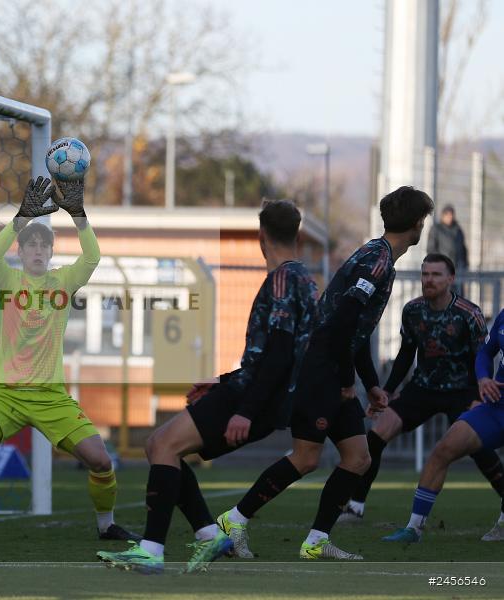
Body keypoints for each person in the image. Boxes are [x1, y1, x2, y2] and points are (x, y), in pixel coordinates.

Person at [95, 200, 319, 574]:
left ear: (260, 236)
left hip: (252, 398)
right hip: (258, 393)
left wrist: (244, 408)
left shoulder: (282, 278)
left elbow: (279, 353)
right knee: (164, 446)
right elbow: (280, 354)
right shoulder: (306, 279)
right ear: (297, 234)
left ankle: (151, 551)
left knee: (163, 445)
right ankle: (208, 535)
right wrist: (221, 383)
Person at [216, 186, 435, 561]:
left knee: (358, 457)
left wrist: (371, 384)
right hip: (321, 366)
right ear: (418, 224)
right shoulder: (378, 261)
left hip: (333, 363)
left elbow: (356, 327)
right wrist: (348, 380)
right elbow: (342, 321)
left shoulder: (378, 255)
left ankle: (316, 541)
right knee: (306, 457)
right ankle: (233, 519)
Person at [0, 175, 138, 543]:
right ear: (22, 252)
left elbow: (92, 257)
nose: (38, 250)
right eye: (32, 246)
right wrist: (20, 219)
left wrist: (78, 216)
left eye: (44, 245)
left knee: (101, 461)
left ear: (50, 253)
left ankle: (107, 526)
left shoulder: (63, 282)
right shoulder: (7, 281)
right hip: (5, 395)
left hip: (51, 396)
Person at [340, 254, 504, 540]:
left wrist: (479, 390)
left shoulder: (469, 313)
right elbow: (406, 354)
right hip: (422, 389)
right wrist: (387, 392)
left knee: (478, 449)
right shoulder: (412, 310)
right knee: (376, 436)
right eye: (425, 274)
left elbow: (482, 356)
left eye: (436, 275)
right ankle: (356, 505)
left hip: (462, 390)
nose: (429, 280)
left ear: (451, 279)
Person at [382, 307, 504, 543]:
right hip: (497, 405)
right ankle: (413, 528)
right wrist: (483, 378)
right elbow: (485, 353)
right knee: (444, 449)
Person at [427, 205, 468, 280]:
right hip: (441, 271)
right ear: (443, 216)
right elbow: (431, 249)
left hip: (457, 271)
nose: (450, 217)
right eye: (447, 215)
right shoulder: (436, 229)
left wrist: (464, 265)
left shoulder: (458, 230)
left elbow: (463, 249)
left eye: (451, 214)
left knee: (457, 291)